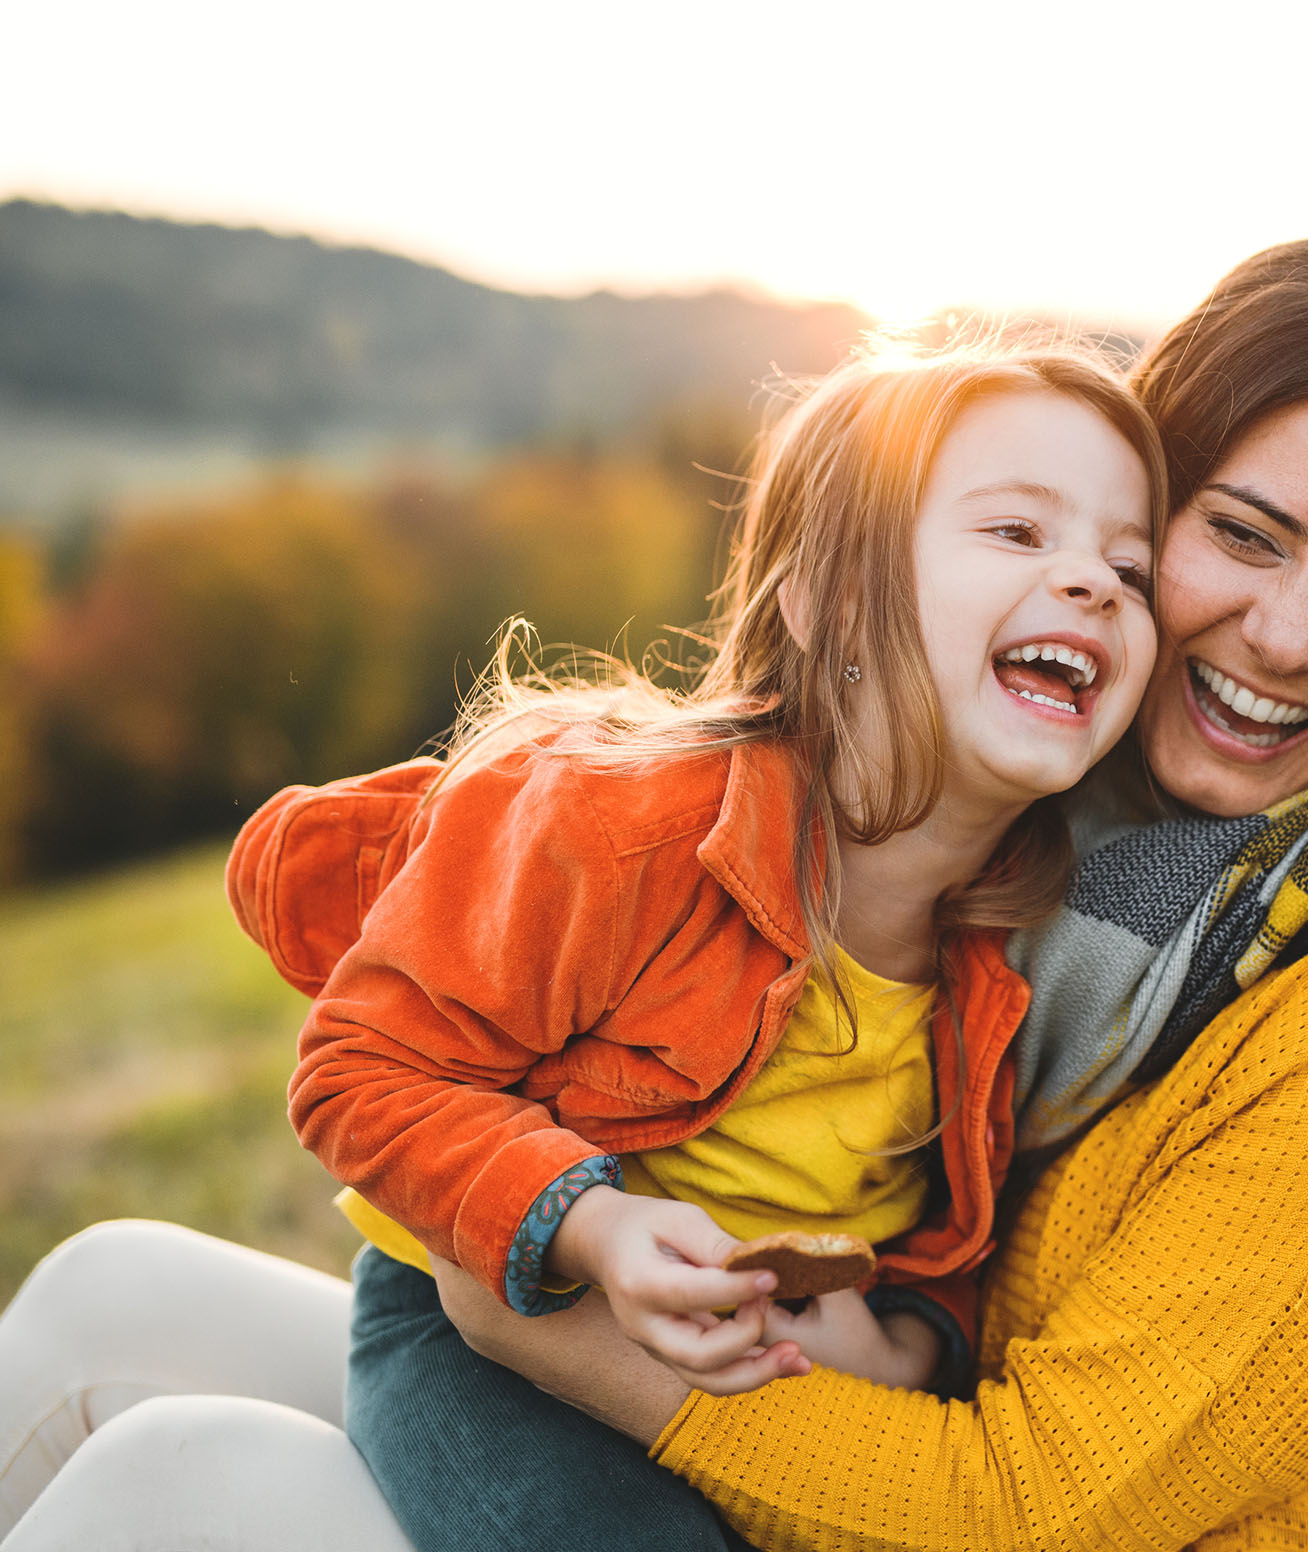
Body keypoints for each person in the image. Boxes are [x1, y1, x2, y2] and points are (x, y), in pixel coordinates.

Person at [0, 232, 1308, 1552]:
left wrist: (537, 1298)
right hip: (811, 1415)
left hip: (965, 1512)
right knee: (108, 1289)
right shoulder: (1070, 865)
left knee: (183, 1483)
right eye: (1237, 533)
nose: (1286, 634)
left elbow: (1037, 1496)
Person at [0, 336, 1166, 1551]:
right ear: (824, 606)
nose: (1091, 581)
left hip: (725, 1390)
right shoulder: (620, 822)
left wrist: (900, 1340)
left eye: (1129, 567)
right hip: (493, 1317)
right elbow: (361, 1070)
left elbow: (941, 1235)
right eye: (1019, 535)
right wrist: (592, 1228)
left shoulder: (1017, 945)